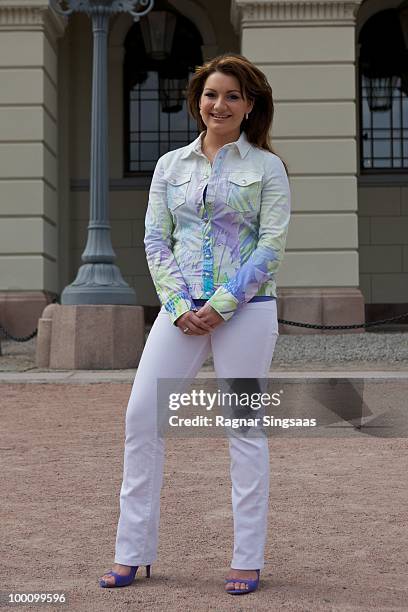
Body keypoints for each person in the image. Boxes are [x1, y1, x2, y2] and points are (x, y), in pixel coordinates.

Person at [99, 52, 290, 595]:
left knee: (243, 429)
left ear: (250, 106)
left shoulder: (267, 168)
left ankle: (246, 559)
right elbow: (156, 240)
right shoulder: (169, 166)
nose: (219, 104)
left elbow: (271, 245)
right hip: (178, 313)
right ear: (197, 102)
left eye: (232, 96)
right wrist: (179, 304)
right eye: (211, 94)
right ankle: (132, 551)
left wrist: (224, 304)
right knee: (141, 417)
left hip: (247, 312)